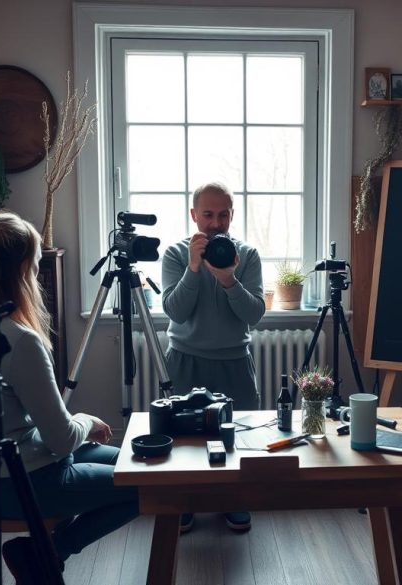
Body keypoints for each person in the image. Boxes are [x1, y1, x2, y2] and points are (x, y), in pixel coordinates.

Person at [0, 213, 138, 584]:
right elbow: (62, 438)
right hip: (18, 485)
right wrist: (88, 421)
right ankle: (49, 553)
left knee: (136, 463)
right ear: (22, 273)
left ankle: (41, 555)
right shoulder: (19, 340)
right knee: (148, 487)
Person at [161, 181, 265, 533]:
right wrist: (194, 268)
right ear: (194, 215)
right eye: (208, 214)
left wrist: (228, 280)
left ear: (232, 215)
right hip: (185, 359)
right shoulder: (176, 254)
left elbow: (254, 315)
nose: (215, 223)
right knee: (184, 439)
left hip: (234, 361)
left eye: (223, 214)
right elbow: (175, 311)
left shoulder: (246, 256)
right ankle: (185, 502)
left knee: (236, 435)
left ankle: (234, 500)